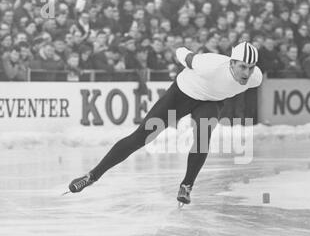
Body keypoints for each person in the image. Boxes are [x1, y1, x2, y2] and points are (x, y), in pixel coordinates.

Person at [67, 42, 263, 205]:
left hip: (210, 102)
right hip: (183, 94)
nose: (246, 73)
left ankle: (186, 186)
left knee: (203, 138)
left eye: (251, 67)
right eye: (242, 67)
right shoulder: (208, 64)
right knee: (142, 137)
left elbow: (249, 76)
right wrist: (179, 51)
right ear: (232, 62)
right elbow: (181, 52)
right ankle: (92, 176)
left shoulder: (256, 78)